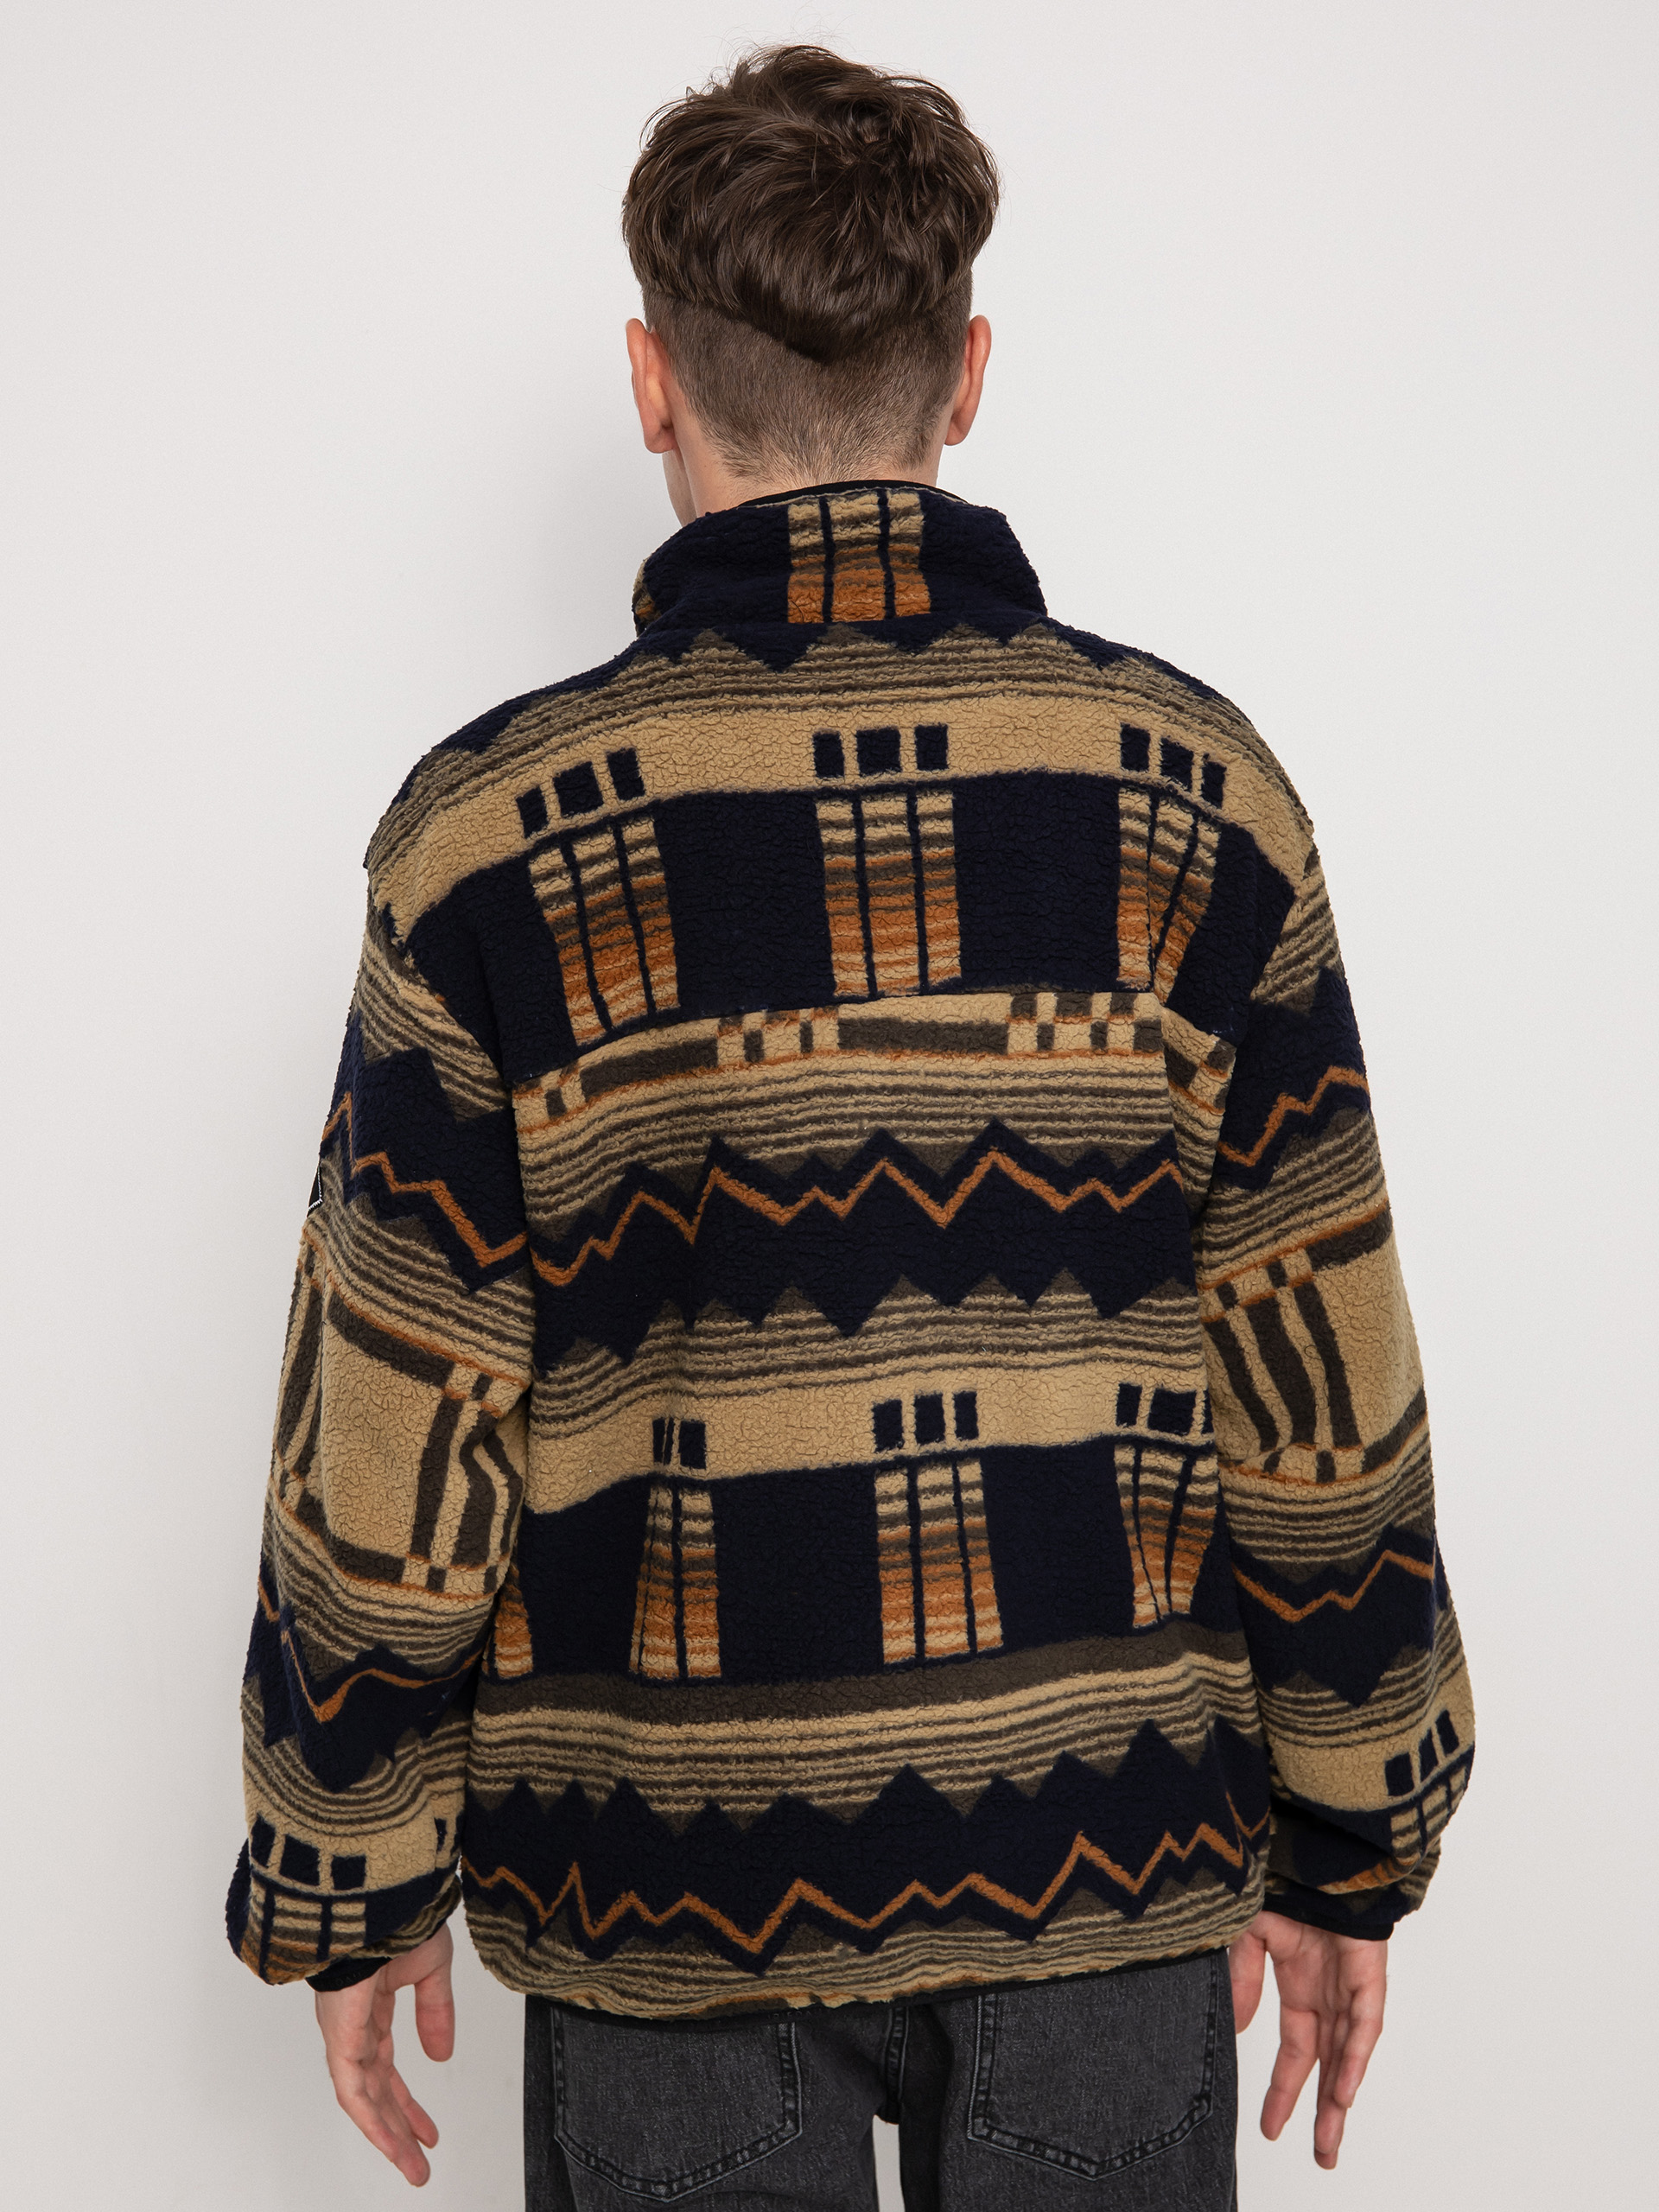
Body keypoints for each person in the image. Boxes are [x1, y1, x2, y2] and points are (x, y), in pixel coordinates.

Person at [226, 44, 1474, 2209]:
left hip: (663, 1888)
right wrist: (1356, 1827)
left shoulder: (486, 841)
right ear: (968, 373)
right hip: (1107, 1870)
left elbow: (398, 1419)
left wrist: (348, 1861)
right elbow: (1319, 1369)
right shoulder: (1194, 798)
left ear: (650, 381)